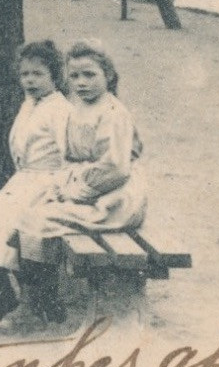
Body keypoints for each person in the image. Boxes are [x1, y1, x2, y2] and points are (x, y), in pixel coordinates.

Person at [15, 42, 148, 323]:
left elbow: (116, 168)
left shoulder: (113, 113)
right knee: (29, 213)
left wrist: (75, 191)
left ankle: (42, 302)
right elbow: (71, 159)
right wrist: (63, 186)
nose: (81, 83)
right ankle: (42, 300)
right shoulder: (79, 107)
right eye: (74, 77)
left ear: (108, 76)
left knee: (38, 219)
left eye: (89, 75)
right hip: (89, 187)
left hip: (114, 197)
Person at [0, 40, 72, 326]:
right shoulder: (30, 104)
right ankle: (5, 293)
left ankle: (35, 301)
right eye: (25, 75)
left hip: (47, 183)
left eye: (38, 74)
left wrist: (58, 191)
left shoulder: (59, 110)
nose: (30, 80)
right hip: (25, 181)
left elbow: (68, 155)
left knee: (15, 235)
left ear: (54, 77)